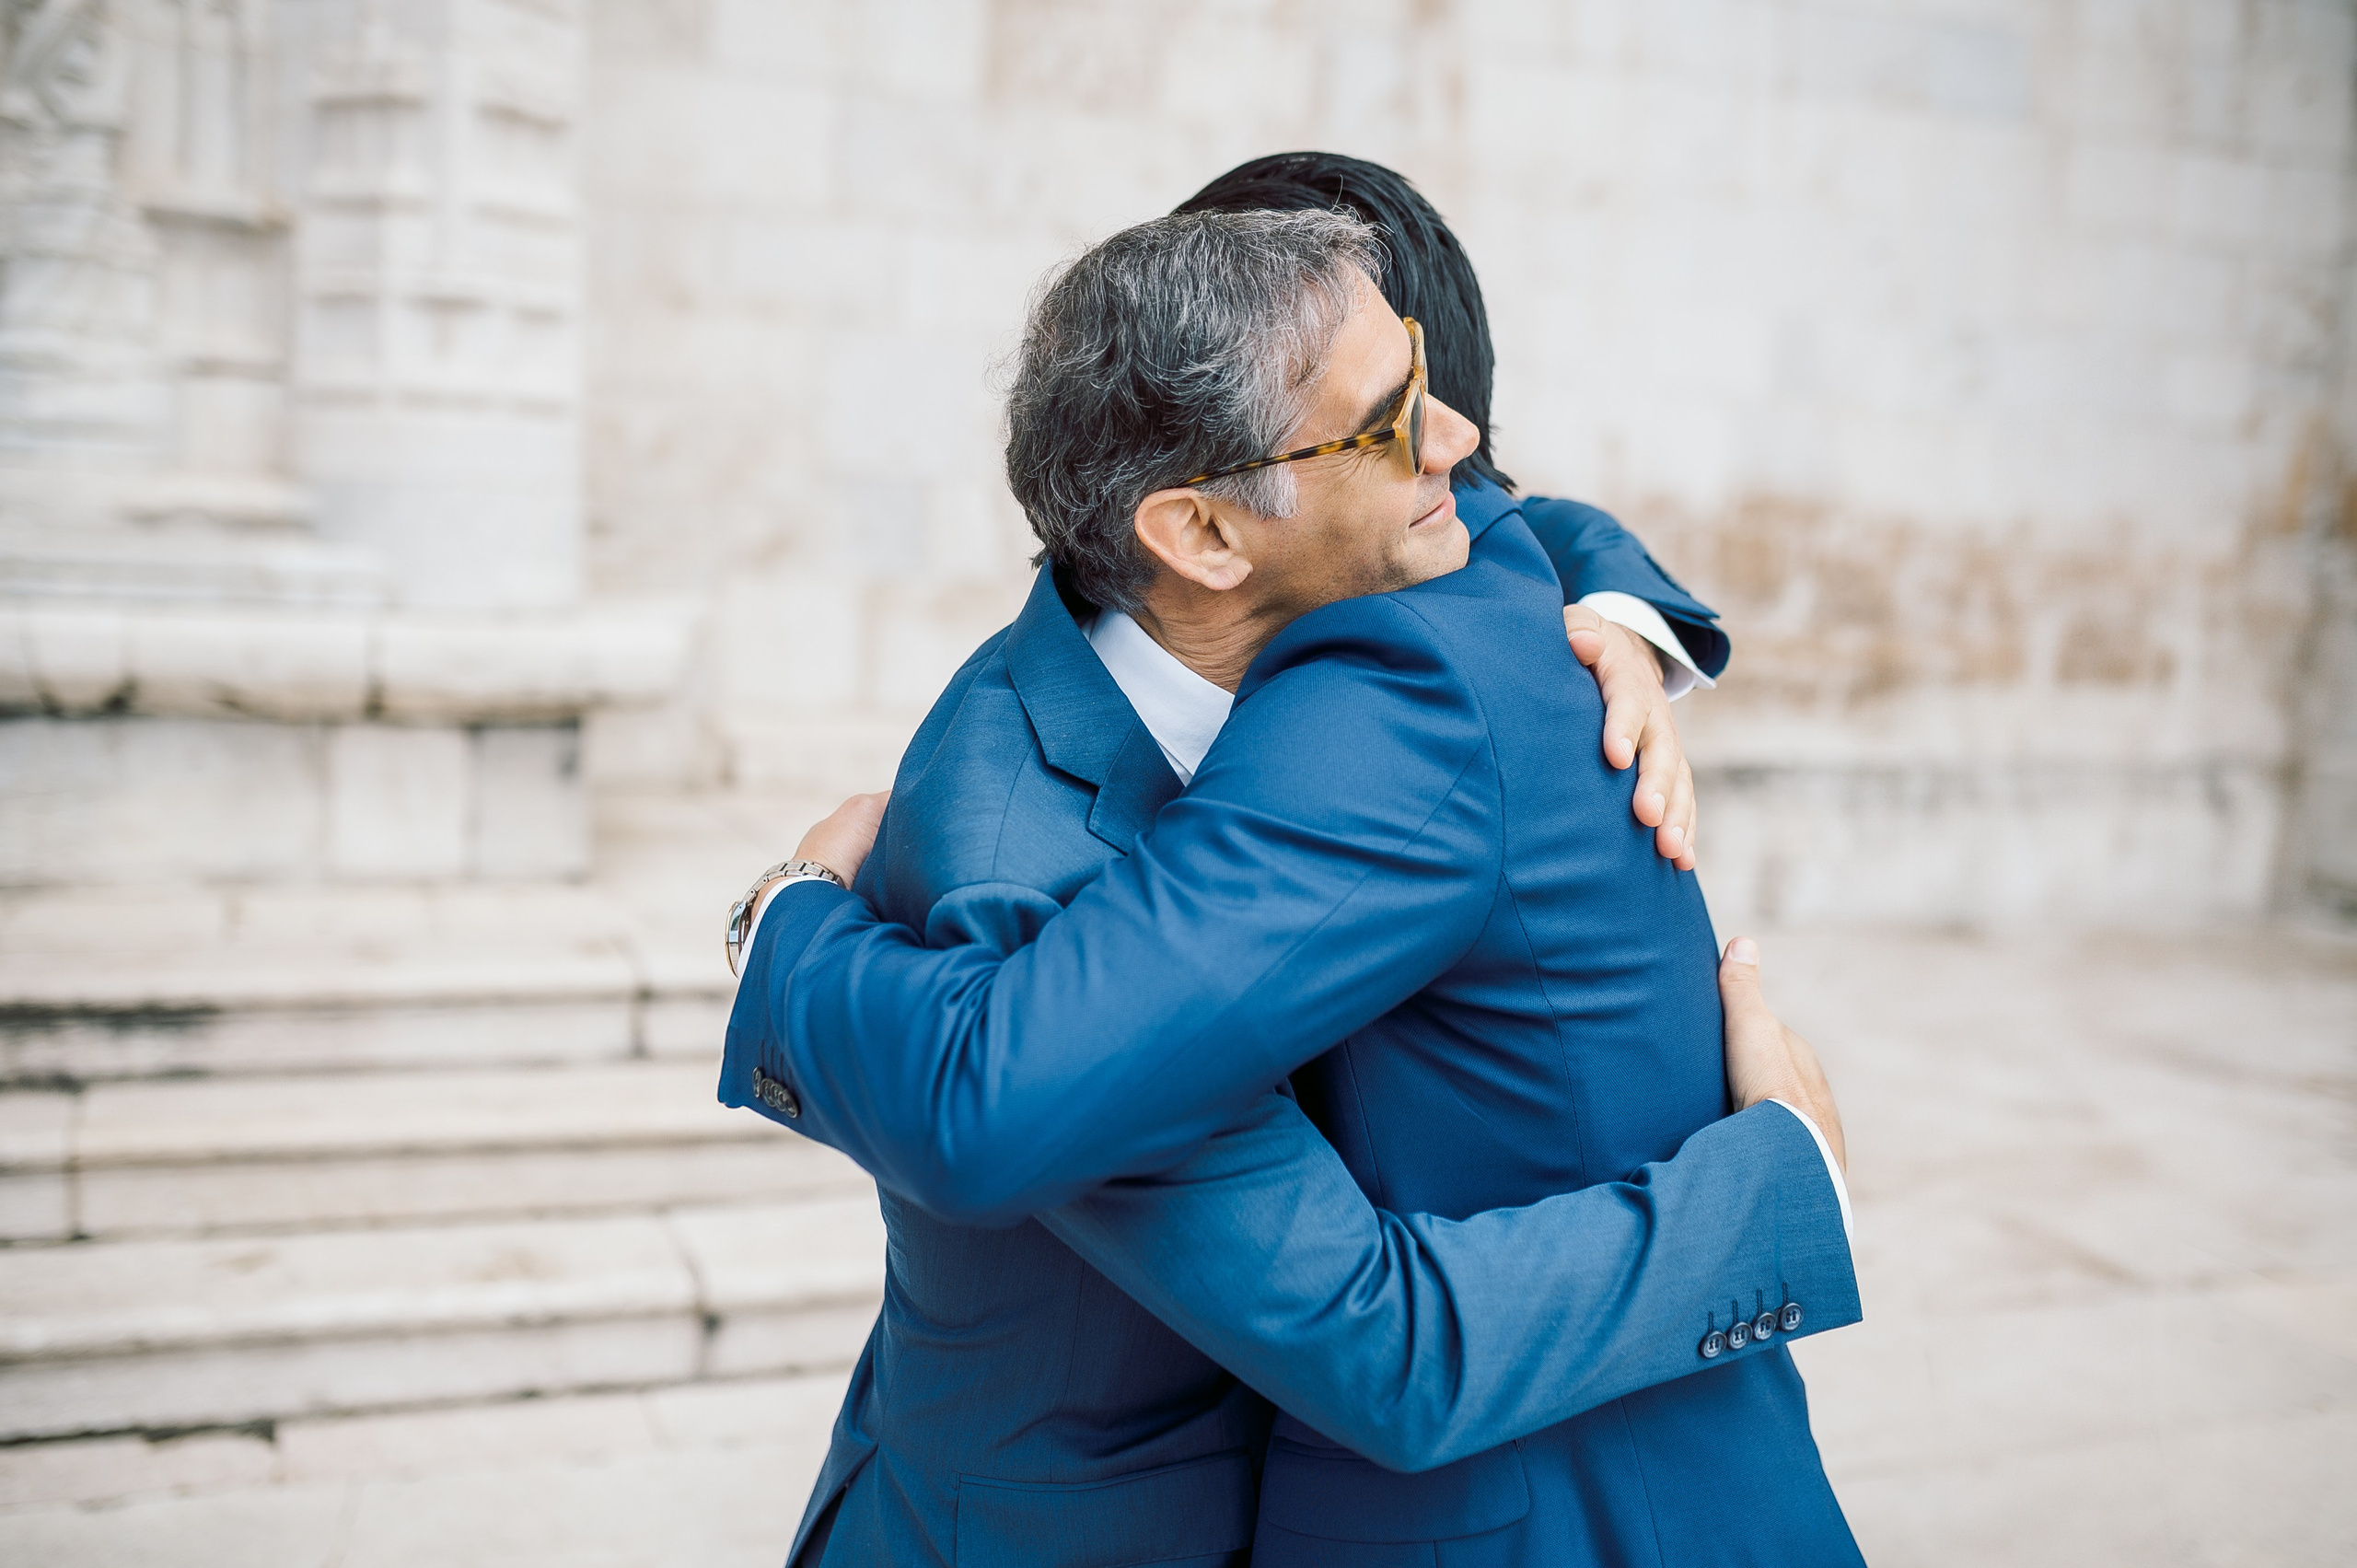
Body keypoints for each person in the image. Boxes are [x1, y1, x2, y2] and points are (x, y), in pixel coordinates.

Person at [727, 198, 1857, 1566]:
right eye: (1395, 421)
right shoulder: (1028, 881)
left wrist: (1622, 614)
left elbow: (1511, 513)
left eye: (1427, 376)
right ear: (1203, 533)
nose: (1458, 445)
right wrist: (783, 925)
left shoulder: (1375, 562)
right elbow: (1381, 1346)